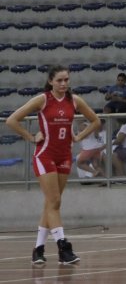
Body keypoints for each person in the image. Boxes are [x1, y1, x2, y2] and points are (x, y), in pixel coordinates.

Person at [5, 64, 103, 266]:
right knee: (55, 200)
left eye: (66, 80)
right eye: (59, 80)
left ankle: (38, 249)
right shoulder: (42, 99)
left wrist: (78, 136)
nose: (63, 83)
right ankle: (63, 247)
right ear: (50, 81)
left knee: (52, 203)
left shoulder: (74, 100)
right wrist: (31, 137)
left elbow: (95, 120)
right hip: (45, 155)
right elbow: (12, 120)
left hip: (65, 155)